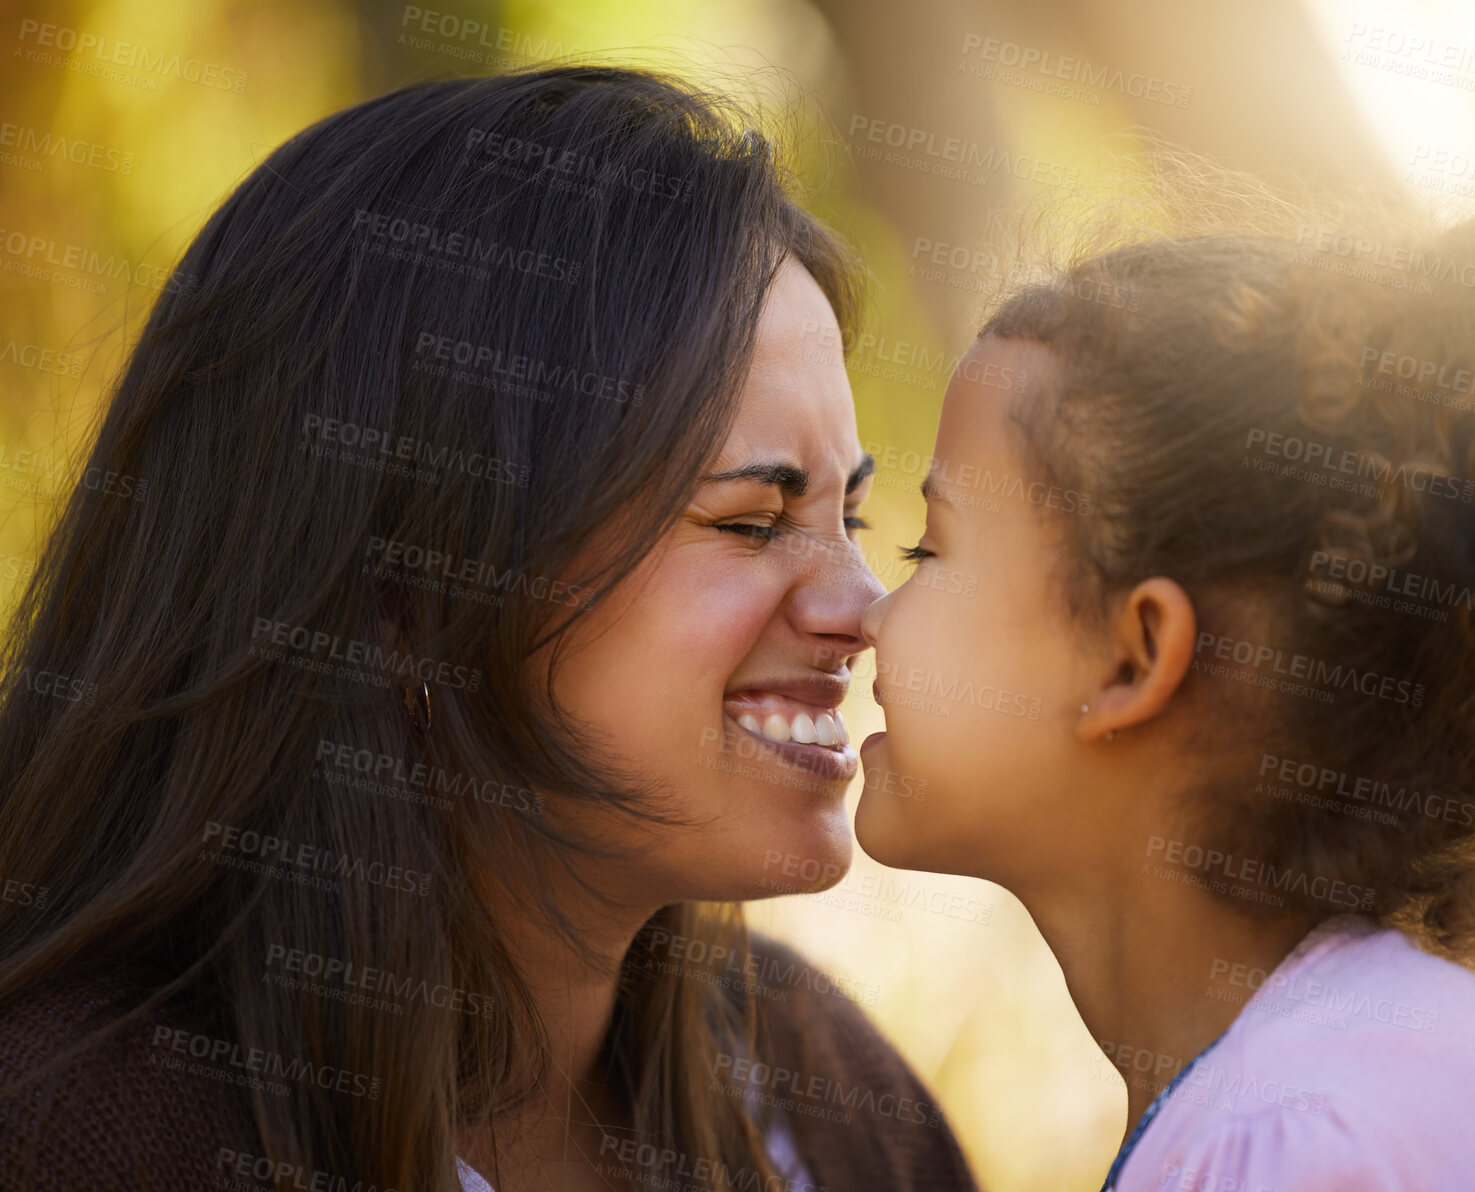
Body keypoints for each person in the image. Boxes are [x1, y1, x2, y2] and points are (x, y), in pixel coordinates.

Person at [0, 65, 979, 1192]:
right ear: (412, 596)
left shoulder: (829, 1097)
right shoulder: (73, 1132)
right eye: (753, 521)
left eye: (850, 516)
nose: (863, 607)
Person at [855, 200, 1475, 1189]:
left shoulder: (1305, 1142)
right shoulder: (1365, 1068)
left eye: (927, 550)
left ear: (1133, 656)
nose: (866, 616)